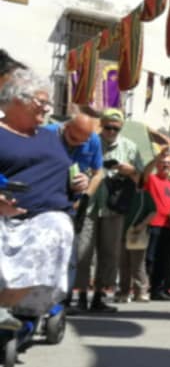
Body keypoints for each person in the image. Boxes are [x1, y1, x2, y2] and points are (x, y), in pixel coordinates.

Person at [0, 69, 86, 327]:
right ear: (18, 99)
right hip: (5, 215)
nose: (47, 108)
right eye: (42, 101)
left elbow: (62, 172)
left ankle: (15, 308)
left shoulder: (50, 137)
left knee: (55, 228)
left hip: (46, 215)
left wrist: (77, 183)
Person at [45, 112, 104, 311]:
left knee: (69, 256)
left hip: (75, 206)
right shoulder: (46, 134)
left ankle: (62, 301)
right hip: (46, 202)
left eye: (83, 141)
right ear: (66, 127)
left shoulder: (93, 140)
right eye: (73, 139)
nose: (78, 144)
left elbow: (98, 173)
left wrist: (87, 192)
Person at [92, 108, 143, 305]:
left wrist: (131, 171)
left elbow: (142, 179)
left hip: (115, 205)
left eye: (115, 128)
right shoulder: (91, 142)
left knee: (110, 252)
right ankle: (77, 294)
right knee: (83, 251)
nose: (111, 132)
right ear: (101, 125)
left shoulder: (130, 147)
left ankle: (101, 293)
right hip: (90, 204)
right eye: (107, 127)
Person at [142, 148, 170, 301]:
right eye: (162, 163)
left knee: (167, 260)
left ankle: (162, 289)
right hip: (155, 224)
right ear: (157, 165)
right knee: (151, 258)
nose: (165, 165)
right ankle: (148, 289)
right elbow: (145, 172)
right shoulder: (152, 179)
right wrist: (157, 156)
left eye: (169, 163)